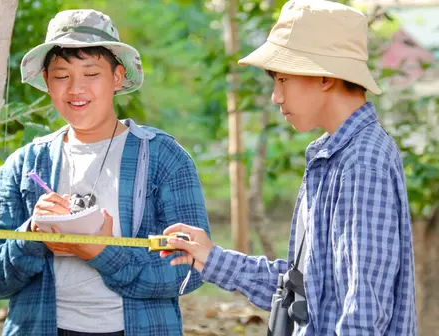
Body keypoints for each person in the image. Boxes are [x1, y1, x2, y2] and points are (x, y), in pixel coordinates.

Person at [161, 1, 417, 335]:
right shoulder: (332, 156)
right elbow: (305, 290)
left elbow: (364, 313)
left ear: (325, 77)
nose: (275, 96)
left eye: (282, 79)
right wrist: (211, 257)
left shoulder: (363, 162)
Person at [0, 9, 210, 336]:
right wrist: (33, 235)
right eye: (61, 75)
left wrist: (103, 252)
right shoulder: (24, 165)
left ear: (117, 76)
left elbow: (191, 269)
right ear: (46, 81)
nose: (76, 89)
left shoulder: (163, 158)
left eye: (91, 73)